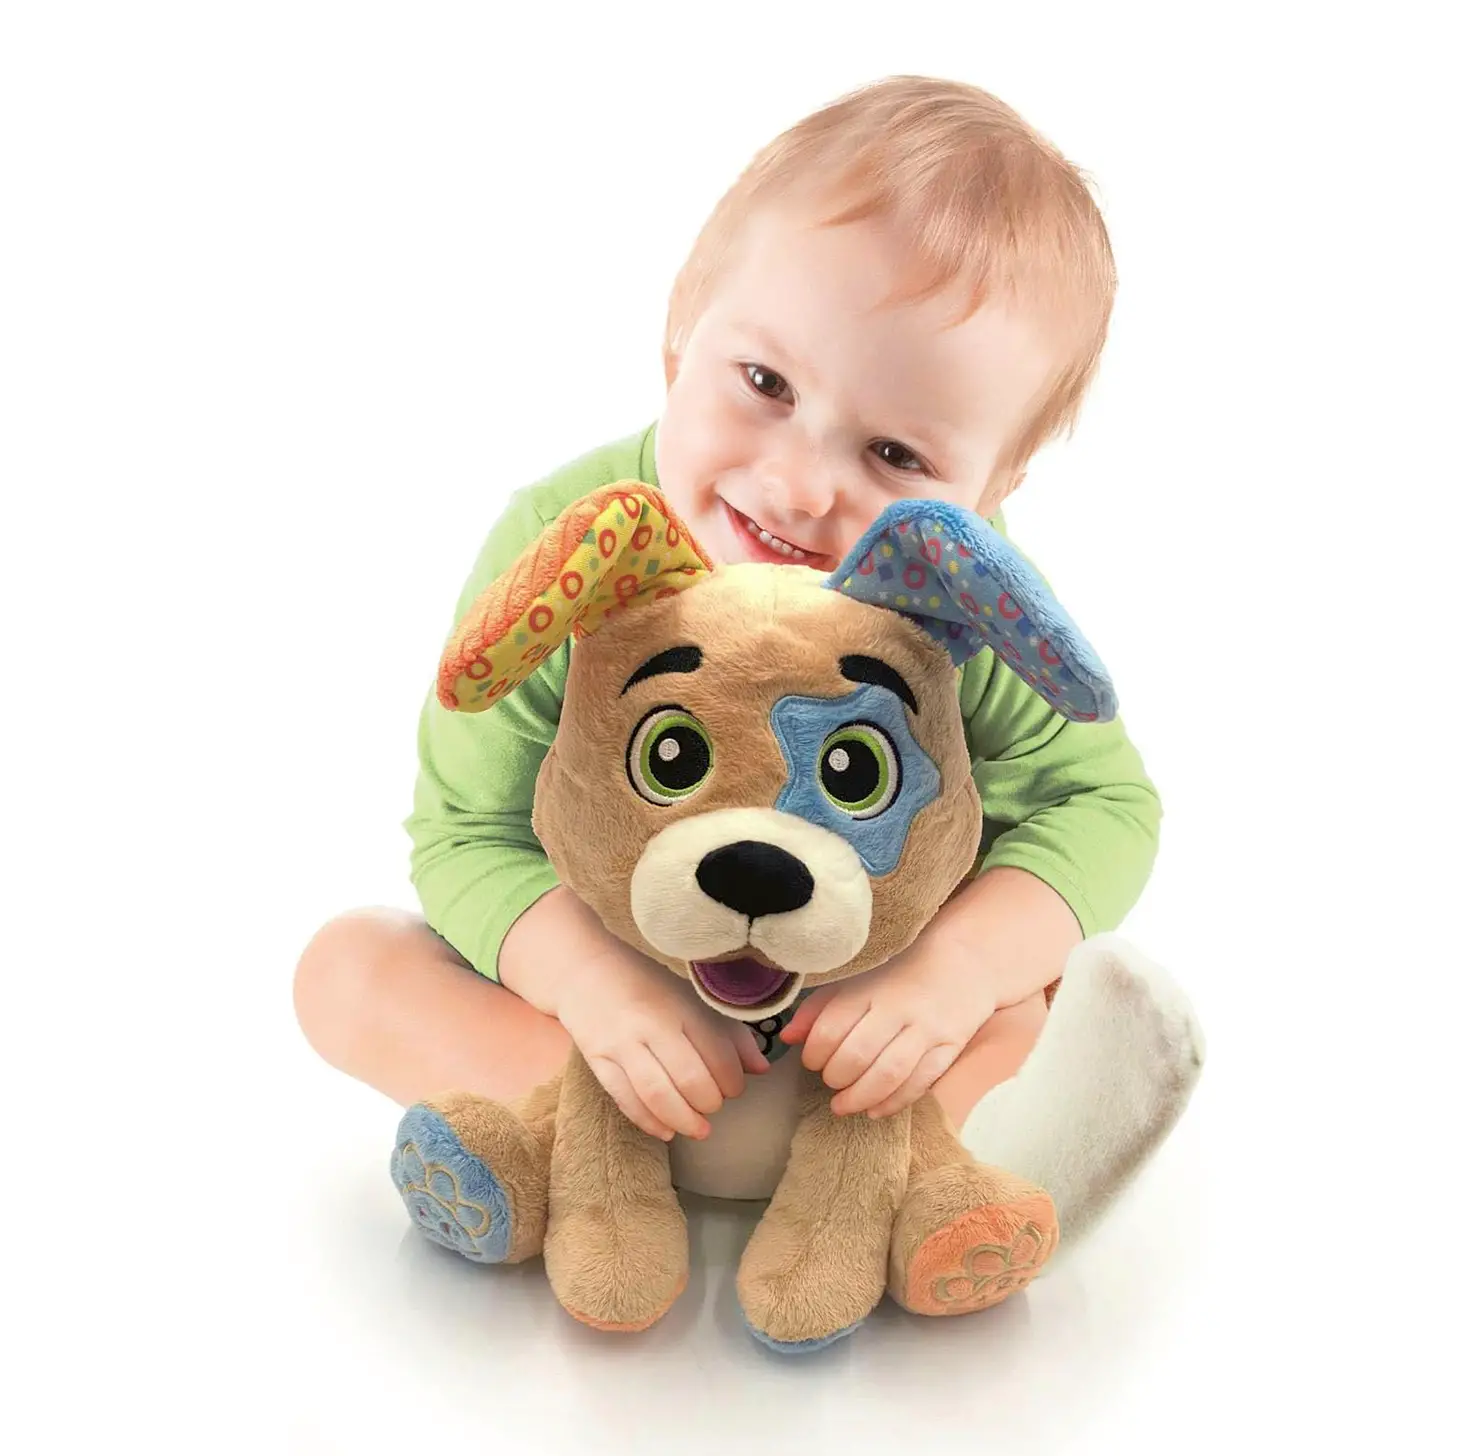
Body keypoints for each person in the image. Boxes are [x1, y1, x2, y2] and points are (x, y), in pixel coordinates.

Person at [294, 75, 1161, 1154]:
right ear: (680, 334)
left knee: (1030, 1006)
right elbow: (467, 832)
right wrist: (594, 987)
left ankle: (872, 1170)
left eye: (896, 454)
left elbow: (1104, 807)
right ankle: (622, 1140)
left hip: (859, 1040)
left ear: (993, 489)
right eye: (765, 382)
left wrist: (957, 972)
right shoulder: (573, 544)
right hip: (612, 1030)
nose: (797, 485)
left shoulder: (959, 591)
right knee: (348, 971)